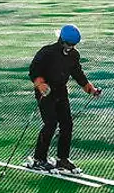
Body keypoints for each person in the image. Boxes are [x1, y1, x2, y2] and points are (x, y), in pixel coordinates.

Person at [27, 24, 101, 172]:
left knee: (67, 123)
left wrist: (91, 90)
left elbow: (78, 74)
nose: (70, 47)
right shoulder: (46, 53)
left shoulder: (74, 55)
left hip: (61, 91)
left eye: (73, 45)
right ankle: (38, 159)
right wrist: (40, 85)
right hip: (46, 92)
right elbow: (34, 71)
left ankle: (62, 159)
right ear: (61, 39)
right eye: (68, 44)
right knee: (50, 123)